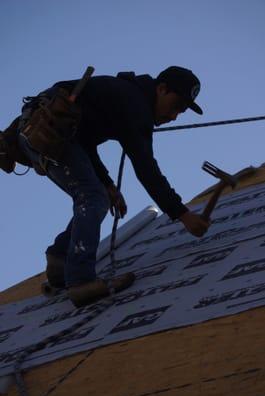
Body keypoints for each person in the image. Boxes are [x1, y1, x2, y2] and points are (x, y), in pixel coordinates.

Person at [18, 66, 210, 307]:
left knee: (97, 196)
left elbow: (84, 140)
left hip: (40, 130)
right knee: (93, 198)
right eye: (176, 106)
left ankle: (59, 262)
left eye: (181, 111)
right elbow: (146, 169)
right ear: (161, 89)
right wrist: (182, 214)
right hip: (49, 128)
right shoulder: (136, 106)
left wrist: (108, 184)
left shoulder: (123, 97)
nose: (174, 116)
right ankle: (80, 281)